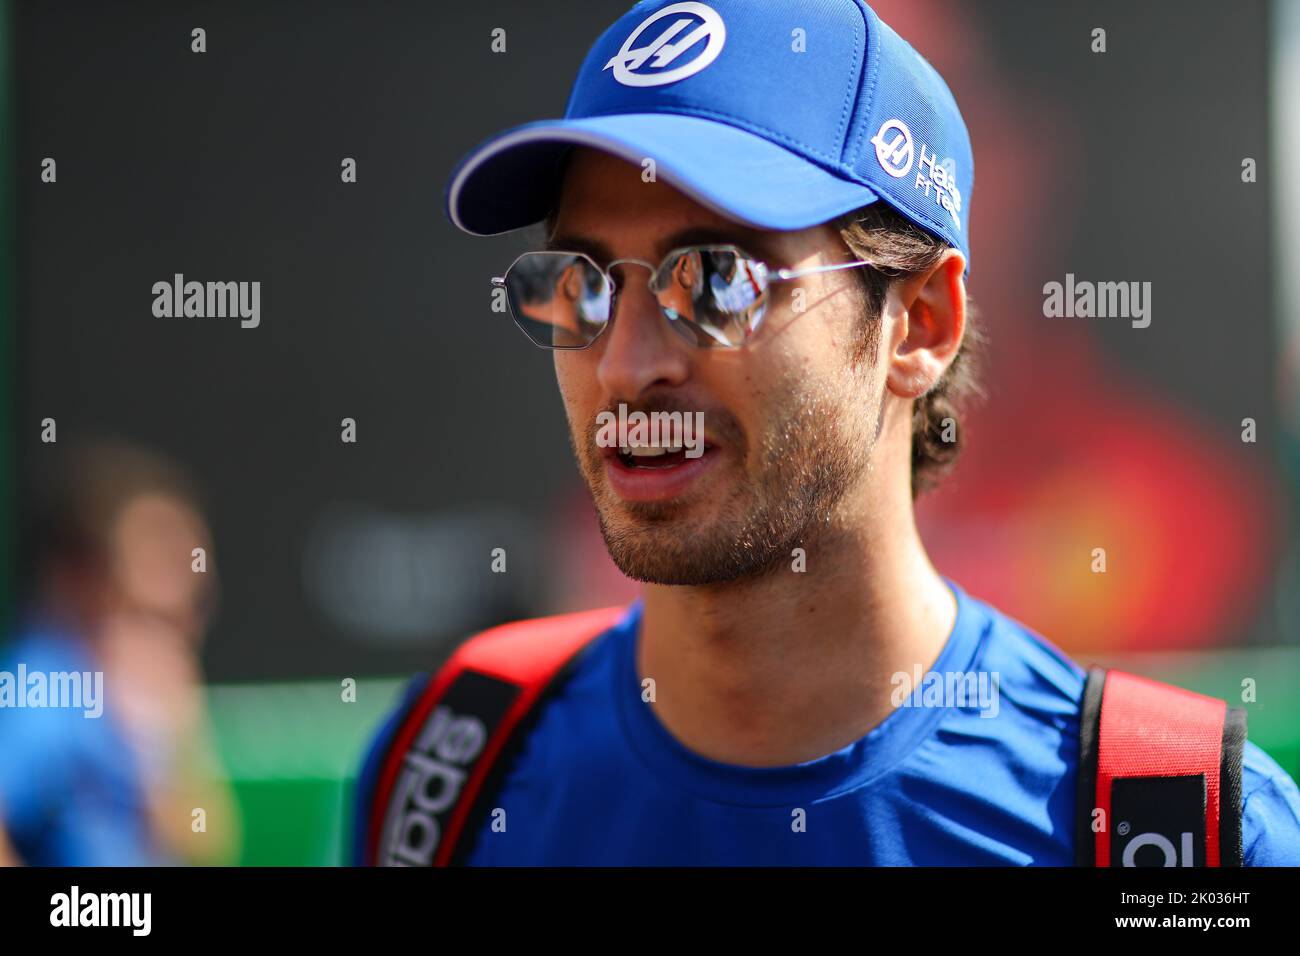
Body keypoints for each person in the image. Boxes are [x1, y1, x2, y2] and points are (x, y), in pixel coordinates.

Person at [356, 0, 1300, 865]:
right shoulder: (453, 765)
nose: (625, 364)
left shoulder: (1174, 830)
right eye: (583, 283)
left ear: (920, 322)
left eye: (716, 277)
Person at [0, 439, 240, 866]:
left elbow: (209, 842)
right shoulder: (42, 682)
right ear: (84, 578)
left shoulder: (158, 694)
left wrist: (165, 739)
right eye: (159, 557)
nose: (181, 588)